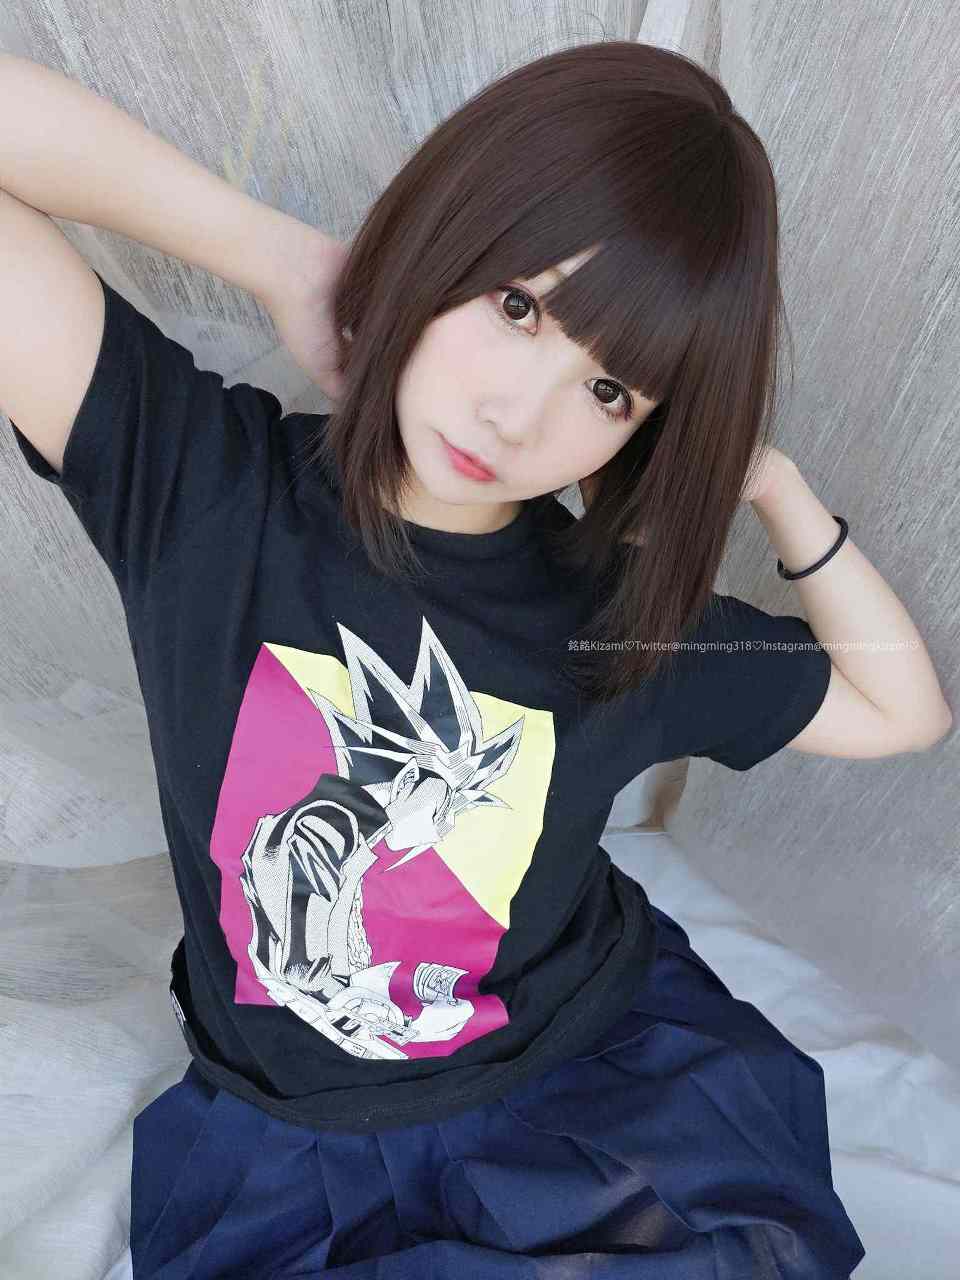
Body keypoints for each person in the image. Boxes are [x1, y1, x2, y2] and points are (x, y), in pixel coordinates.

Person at [0, 39, 950, 1279]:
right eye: (517, 306)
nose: (517, 414)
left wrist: (767, 480)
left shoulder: (612, 619)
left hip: (578, 1084)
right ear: (447, 233)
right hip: (292, 1141)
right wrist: (287, 258)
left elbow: (902, 708)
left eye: (610, 391)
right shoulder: (201, 488)